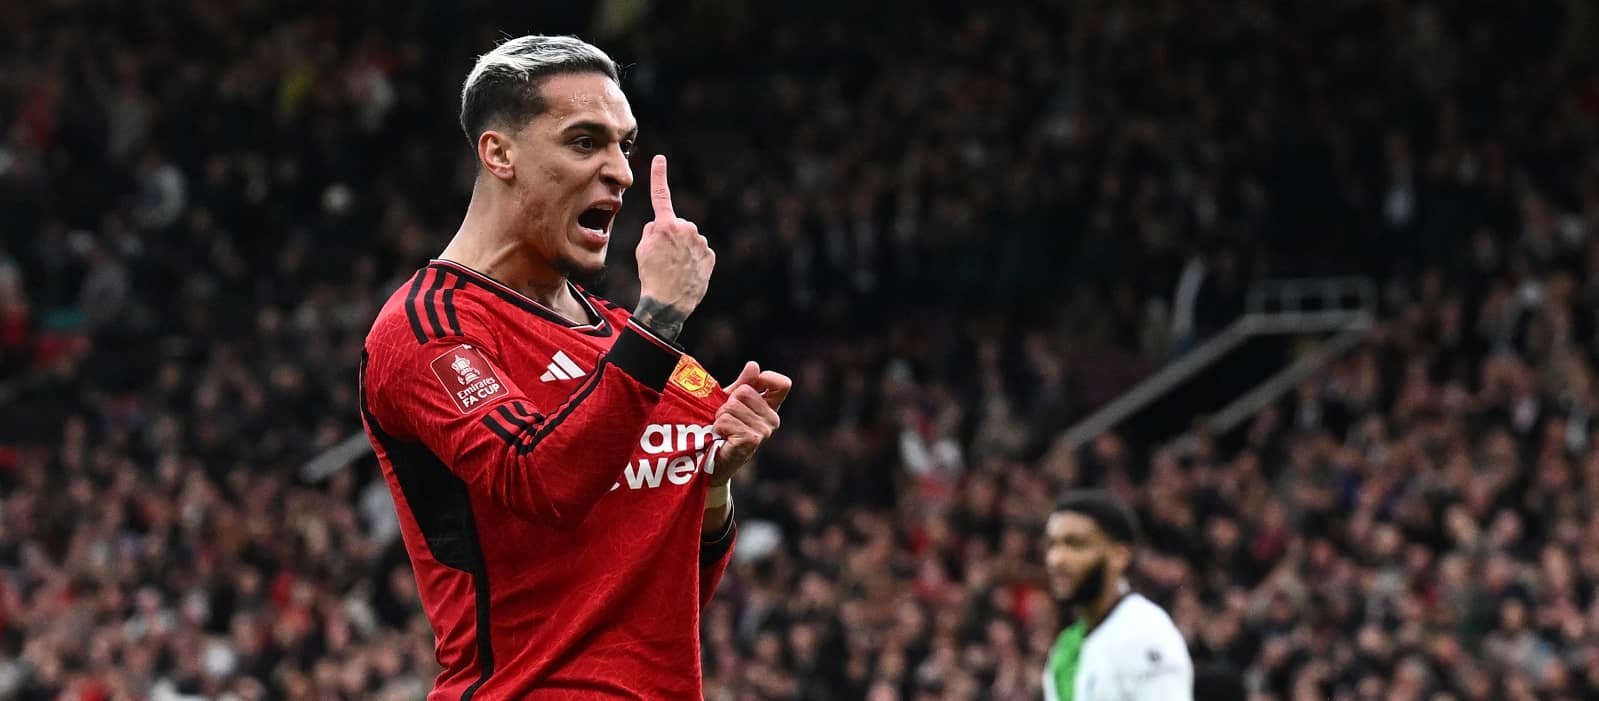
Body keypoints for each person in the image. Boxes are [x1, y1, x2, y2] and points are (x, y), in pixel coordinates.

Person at [358, 35, 790, 699]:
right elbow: (541, 481)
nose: (620, 171)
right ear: (499, 154)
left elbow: (667, 594)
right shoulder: (430, 328)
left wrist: (714, 485)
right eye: (585, 142)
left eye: (625, 145)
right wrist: (659, 319)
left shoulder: (626, 343)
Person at [1042, 490, 1193, 701]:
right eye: (1052, 544)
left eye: (1075, 544)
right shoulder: (1066, 648)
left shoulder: (1144, 632)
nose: (1056, 559)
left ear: (1119, 556)